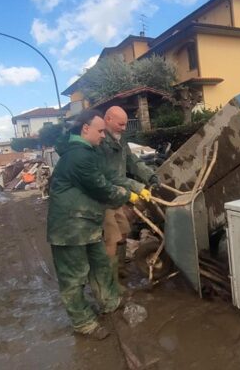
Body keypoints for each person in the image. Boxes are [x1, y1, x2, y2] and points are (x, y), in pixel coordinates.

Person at [46, 110, 147, 339]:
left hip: (87, 224)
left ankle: (109, 302)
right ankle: (83, 323)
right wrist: (127, 195)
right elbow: (102, 187)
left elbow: (109, 175)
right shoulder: (78, 156)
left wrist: (134, 187)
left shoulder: (87, 152)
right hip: (69, 229)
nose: (103, 135)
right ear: (85, 129)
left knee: (100, 265)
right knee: (74, 278)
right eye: (100, 131)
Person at [99, 106, 158, 286]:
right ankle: (110, 282)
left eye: (125, 125)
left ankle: (120, 268)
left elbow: (133, 162)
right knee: (111, 238)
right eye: (121, 124)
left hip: (119, 195)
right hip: (104, 195)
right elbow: (110, 174)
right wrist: (137, 188)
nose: (124, 128)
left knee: (124, 231)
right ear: (108, 119)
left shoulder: (120, 140)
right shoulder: (101, 142)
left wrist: (151, 176)